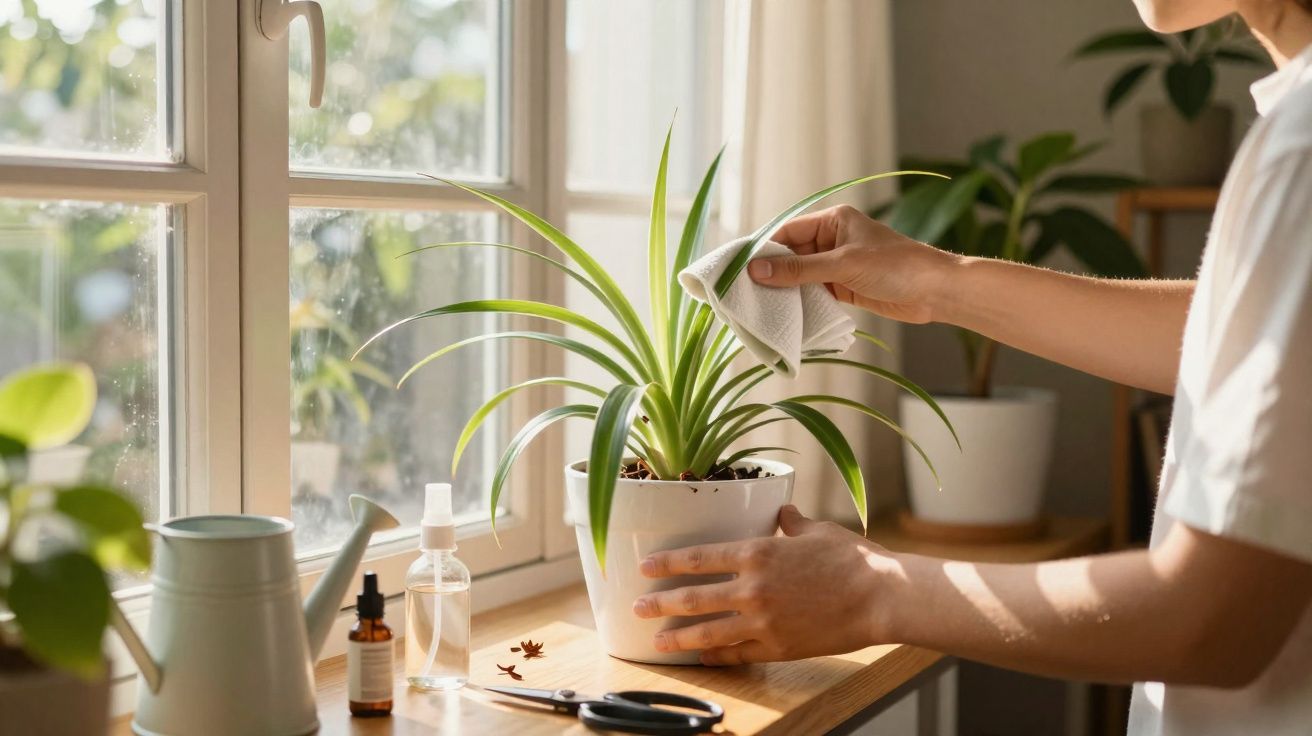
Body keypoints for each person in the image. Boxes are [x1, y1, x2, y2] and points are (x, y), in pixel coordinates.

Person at [631, 1, 1312, 733]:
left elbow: (1212, 620)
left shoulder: (1299, 149)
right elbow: (1242, 340)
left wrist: (874, 591)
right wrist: (940, 281)